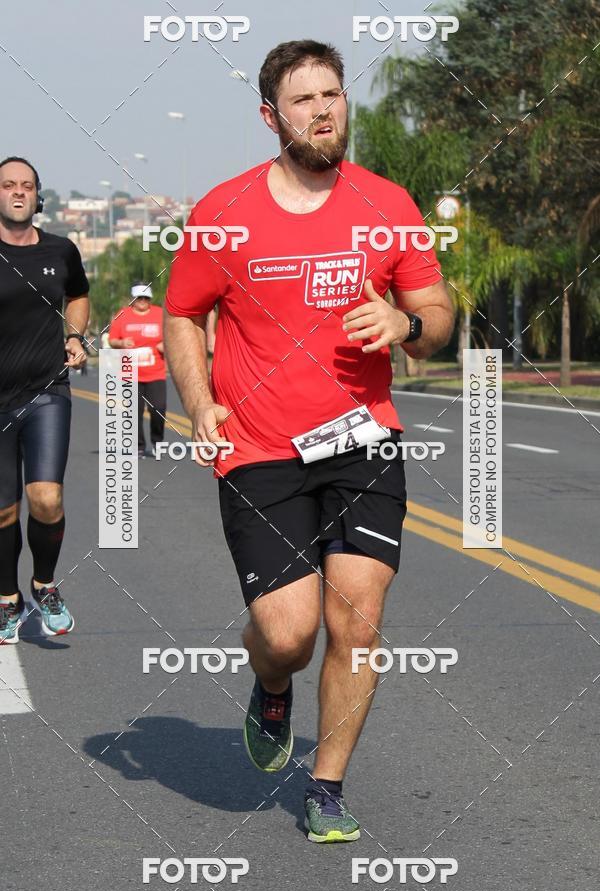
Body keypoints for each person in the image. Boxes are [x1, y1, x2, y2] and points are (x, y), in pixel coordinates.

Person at [164, 40, 455, 842]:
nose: (325, 111)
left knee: (357, 622)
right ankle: (271, 682)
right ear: (271, 117)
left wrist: (408, 325)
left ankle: (326, 786)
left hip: (364, 441)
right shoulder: (224, 214)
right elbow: (183, 313)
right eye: (305, 100)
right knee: (290, 633)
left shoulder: (387, 203)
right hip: (259, 448)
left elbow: (436, 314)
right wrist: (199, 400)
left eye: (333, 94)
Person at [0, 156, 89, 643]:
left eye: (27, 186)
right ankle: (7, 599)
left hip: (46, 391)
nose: (18, 192)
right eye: (9, 185)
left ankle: (45, 585)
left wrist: (75, 336)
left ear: (39, 195)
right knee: (3, 511)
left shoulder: (61, 249)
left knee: (46, 497)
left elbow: (77, 294)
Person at [108, 283, 166, 458]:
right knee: (134, 411)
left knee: (158, 408)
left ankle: (157, 443)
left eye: (146, 298)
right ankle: (138, 446)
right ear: (133, 299)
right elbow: (112, 340)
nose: (143, 301)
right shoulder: (122, 314)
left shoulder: (159, 314)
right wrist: (122, 343)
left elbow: (171, 336)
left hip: (156, 371)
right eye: (139, 298)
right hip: (130, 372)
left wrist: (166, 346)